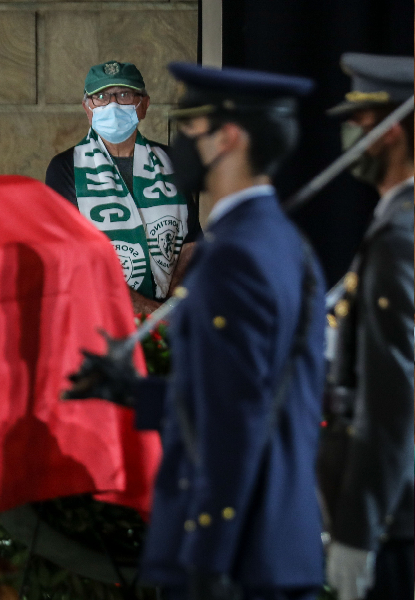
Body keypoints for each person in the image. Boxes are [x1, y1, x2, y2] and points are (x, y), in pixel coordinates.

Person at [65, 63, 327, 599]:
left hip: (237, 553)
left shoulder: (235, 255)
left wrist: (205, 555)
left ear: (226, 138)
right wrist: (137, 394)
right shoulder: (280, 239)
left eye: (190, 127)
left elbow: (236, 423)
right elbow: (231, 394)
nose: (179, 141)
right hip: (264, 545)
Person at [322, 53, 414, 600]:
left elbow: (390, 396)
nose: (352, 137)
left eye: (359, 123)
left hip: (394, 518)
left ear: (390, 131)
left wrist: (358, 530)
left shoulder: (399, 236)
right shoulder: (396, 223)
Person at [45, 60, 201, 314]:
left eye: (124, 95)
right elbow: (73, 256)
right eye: (101, 96)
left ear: (144, 105)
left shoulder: (172, 161)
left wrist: (172, 309)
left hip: (169, 319)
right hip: (100, 317)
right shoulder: (66, 167)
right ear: (87, 108)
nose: (113, 104)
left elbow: (191, 242)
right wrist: (153, 313)